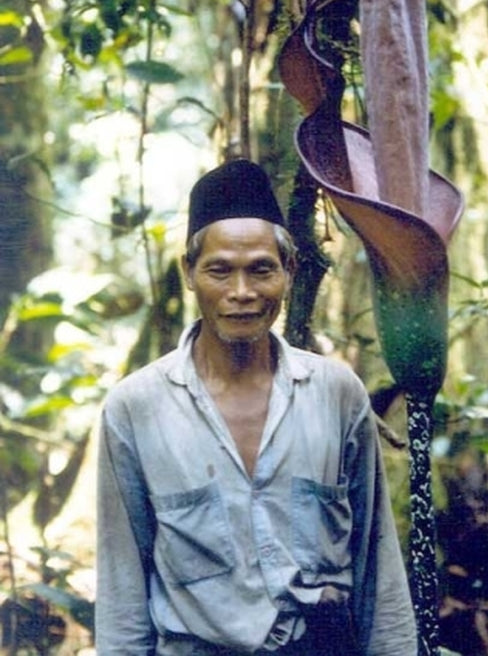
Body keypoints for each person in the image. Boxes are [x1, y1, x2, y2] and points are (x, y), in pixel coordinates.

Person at [95, 158, 418, 656]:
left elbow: (378, 562)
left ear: (289, 271)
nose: (241, 293)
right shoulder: (136, 407)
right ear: (189, 272)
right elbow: (122, 581)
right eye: (219, 270)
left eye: (261, 269)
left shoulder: (335, 392)